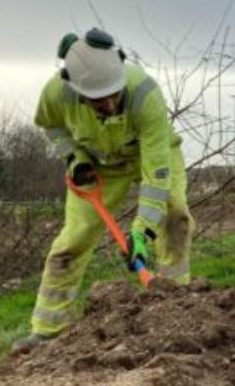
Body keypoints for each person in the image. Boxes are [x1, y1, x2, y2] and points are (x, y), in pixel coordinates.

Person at [12, 28, 195, 354]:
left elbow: (156, 175)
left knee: (175, 216)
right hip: (99, 166)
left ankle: (175, 307)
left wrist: (141, 234)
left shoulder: (145, 94)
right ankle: (47, 330)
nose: (109, 104)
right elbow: (49, 125)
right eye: (98, 100)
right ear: (76, 87)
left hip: (150, 154)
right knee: (72, 242)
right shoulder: (56, 93)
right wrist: (74, 157)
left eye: (113, 94)